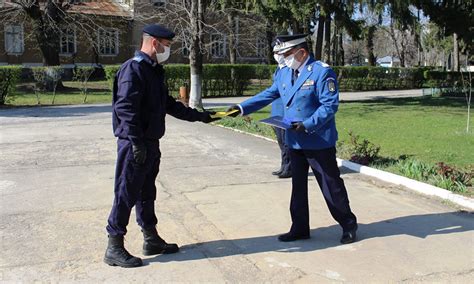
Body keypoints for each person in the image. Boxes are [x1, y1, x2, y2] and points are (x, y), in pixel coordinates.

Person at [104, 24, 218, 268]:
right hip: (134, 143)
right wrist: (135, 142)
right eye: (166, 45)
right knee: (126, 192)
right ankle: (114, 246)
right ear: (154, 42)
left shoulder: (153, 71)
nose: (168, 49)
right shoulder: (133, 69)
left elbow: (167, 104)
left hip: (151, 142)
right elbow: (125, 108)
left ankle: (151, 238)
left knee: (147, 192)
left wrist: (200, 116)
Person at [228, 34, 358, 244]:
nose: (283, 59)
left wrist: (307, 124)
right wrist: (242, 107)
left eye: (286, 54)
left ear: (302, 52)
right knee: (298, 187)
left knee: (330, 185)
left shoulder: (321, 72)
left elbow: (329, 106)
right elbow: (269, 94)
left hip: (317, 140)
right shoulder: (284, 73)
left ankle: (348, 224)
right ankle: (299, 227)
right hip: (294, 140)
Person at [271, 42, 292, 179]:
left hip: (285, 113)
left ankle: (289, 168)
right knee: (280, 141)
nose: (277, 55)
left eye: (279, 52)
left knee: (286, 142)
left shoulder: (289, 70)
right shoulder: (278, 69)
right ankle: (283, 166)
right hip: (276, 112)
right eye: (275, 53)